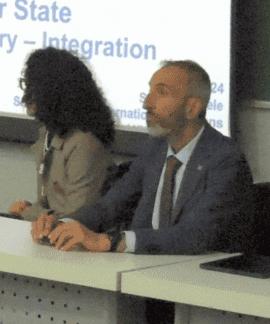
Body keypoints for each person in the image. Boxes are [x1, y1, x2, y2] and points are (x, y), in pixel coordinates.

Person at [31, 59, 252, 255]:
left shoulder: (226, 159)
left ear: (192, 108)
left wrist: (111, 241)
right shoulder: (154, 150)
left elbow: (195, 234)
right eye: (150, 91)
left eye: (162, 92)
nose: (147, 103)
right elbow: (109, 207)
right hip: (142, 273)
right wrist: (63, 224)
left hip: (199, 282)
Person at [8, 47, 115, 222]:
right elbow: (52, 201)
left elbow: (75, 218)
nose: (26, 95)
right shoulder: (51, 134)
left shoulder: (84, 144)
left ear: (53, 93)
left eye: (31, 87)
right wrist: (31, 207)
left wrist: (28, 212)